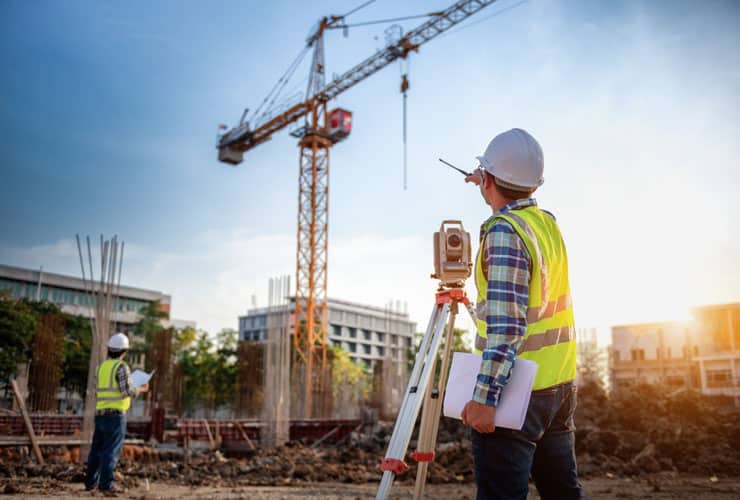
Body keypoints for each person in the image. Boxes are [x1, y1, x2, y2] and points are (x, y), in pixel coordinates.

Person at [460, 128, 585, 500]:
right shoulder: (545, 223)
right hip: (558, 386)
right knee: (563, 492)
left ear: (490, 179)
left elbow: (507, 326)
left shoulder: (503, 232)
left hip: (517, 393)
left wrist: (484, 399)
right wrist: (489, 181)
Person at [84, 332, 148, 497]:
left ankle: (91, 484)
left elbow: (98, 388)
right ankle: (106, 485)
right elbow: (126, 391)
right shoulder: (121, 367)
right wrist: (140, 388)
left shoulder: (101, 367)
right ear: (124, 351)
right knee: (110, 451)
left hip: (100, 414)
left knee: (96, 449)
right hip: (115, 415)